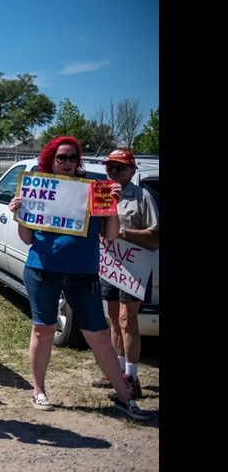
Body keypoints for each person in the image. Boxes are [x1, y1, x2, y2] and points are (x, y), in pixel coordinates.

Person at [8, 136, 148, 421]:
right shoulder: (39, 188)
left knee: (97, 335)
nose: (68, 162)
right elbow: (26, 238)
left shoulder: (92, 191)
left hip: (83, 273)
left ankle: (125, 397)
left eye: (73, 157)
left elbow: (109, 235)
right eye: (62, 157)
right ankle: (39, 390)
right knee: (43, 329)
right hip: (42, 270)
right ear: (51, 159)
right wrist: (18, 213)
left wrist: (112, 207)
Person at [91, 149, 159, 398]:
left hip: (134, 267)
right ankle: (116, 372)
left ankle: (132, 378)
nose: (113, 171)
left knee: (126, 320)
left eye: (119, 167)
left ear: (132, 170)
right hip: (110, 265)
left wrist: (122, 233)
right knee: (112, 319)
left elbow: (155, 235)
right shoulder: (101, 195)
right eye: (110, 167)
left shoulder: (142, 197)